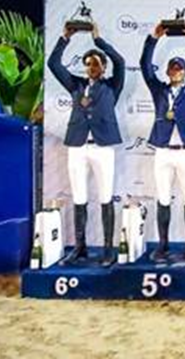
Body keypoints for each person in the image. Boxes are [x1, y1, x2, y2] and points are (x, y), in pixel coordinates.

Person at [48, 22, 125, 266]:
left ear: (104, 67)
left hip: (102, 147)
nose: (92, 67)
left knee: (105, 195)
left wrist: (98, 40)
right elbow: (53, 64)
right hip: (78, 146)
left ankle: (108, 249)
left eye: (97, 64)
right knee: (79, 196)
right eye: (89, 64)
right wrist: (65, 38)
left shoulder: (112, 85)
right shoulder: (76, 85)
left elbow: (120, 62)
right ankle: (80, 247)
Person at [140, 21, 185, 263]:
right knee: (163, 198)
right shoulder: (159, 91)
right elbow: (144, 66)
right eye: (173, 68)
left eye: (180, 68)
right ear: (168, 72)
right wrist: (153, 39)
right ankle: (163, 244)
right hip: (163, 151)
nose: (176, 71)